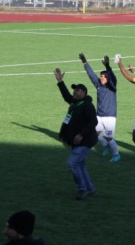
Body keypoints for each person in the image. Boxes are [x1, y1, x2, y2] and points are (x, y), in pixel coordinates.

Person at [54, 68, 98, 200]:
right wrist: (60, 81)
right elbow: (66, 96)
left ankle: (82, 189)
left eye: (77, 90)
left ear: (84, 92)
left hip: (84, 141)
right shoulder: (75, 103)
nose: (75, 91)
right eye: (74, 90)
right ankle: (91, 189)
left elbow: (93, 121)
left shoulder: (87, 106)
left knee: (72, 163)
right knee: (79, 165)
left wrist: (80, 135)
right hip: (75, 141)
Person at [79, 53, 120, 162]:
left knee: (109, 137)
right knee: (94, 135)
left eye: (104, 77)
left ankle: (116, 154)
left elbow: (113, 78)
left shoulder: (112, 87)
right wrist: (85, 63)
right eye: (101, 76)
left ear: (108, 79)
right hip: (99, 115)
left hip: (110, 117)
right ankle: (107, 145)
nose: (102, 78)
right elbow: (91, 74)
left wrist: (108, 66)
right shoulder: (98, 85)